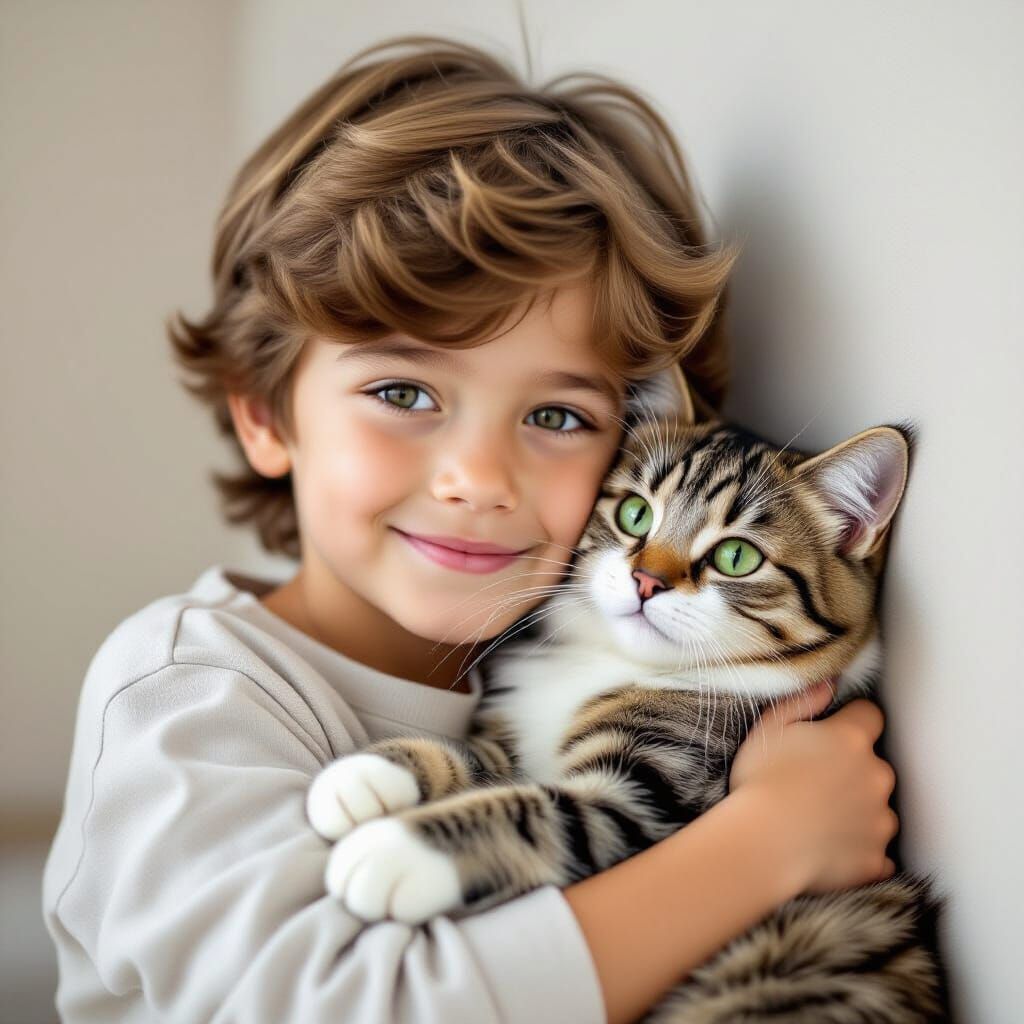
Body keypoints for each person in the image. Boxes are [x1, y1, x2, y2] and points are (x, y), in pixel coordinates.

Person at [42, 34, 899, 1024]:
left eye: (557, 415)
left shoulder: (550, 669)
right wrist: (763, 845)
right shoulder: (187, 692)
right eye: (404, 392)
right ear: (266, 415)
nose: (479, 479)